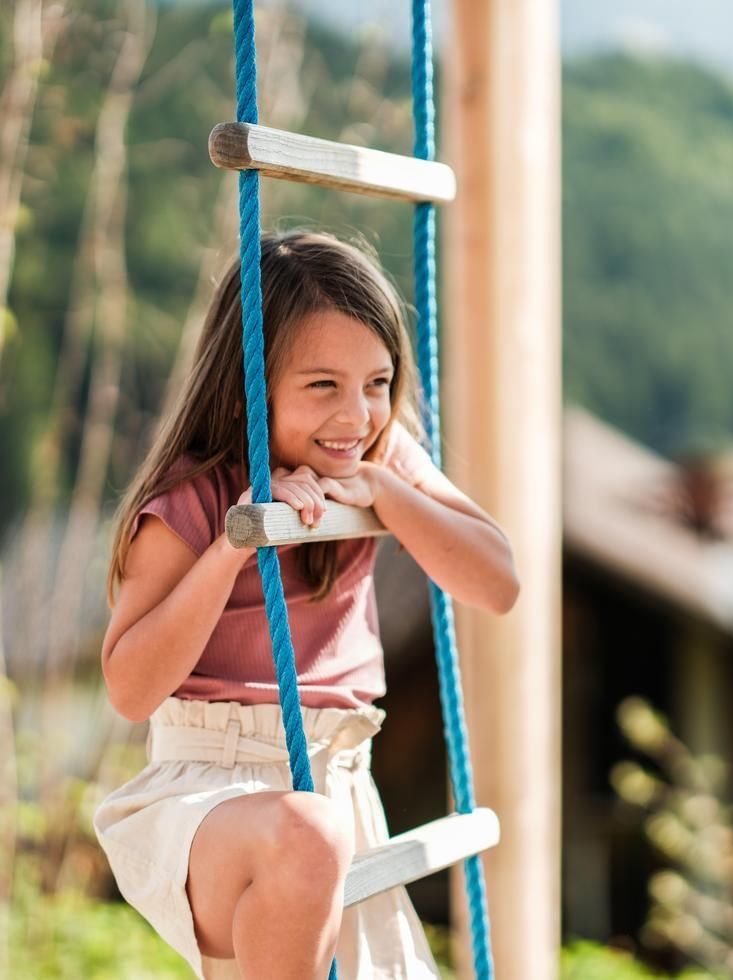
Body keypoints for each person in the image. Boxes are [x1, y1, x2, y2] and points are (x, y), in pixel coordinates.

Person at [93, 230, 520, 980]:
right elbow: (131, 691)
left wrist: (388, 492)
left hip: (339, 789)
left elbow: (497, 581)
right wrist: (236, 544)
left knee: (320, 837)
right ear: (243, 392)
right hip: (212, 798)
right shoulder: (192, 503)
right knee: (308, 834)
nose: (356, 415)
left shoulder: (379, 458)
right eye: (323, 385)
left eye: (378, 383)